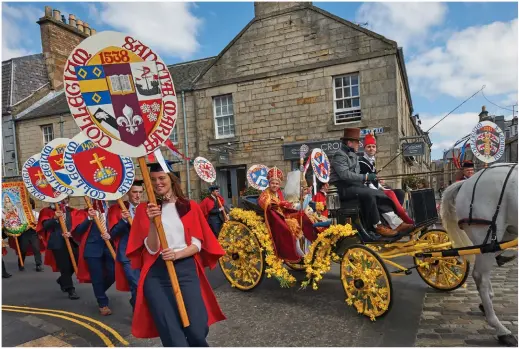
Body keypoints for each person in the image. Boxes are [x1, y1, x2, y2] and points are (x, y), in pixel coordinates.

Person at [126, 161, 226, 346]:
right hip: (157, 275)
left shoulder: (189, 206)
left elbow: (196, 244)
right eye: (153, 179)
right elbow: (152, 248)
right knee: (173, 337)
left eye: (162, 178)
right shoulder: (145, 209)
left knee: (197, 330)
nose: (157, 183)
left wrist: (177, 255)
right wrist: (153, 222)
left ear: (172, 180)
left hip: (185, 269)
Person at [329, 128, 412, 237]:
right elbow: (345, 175)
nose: (359, 144)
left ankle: (395, 223)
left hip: (353, 186)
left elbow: (356, 175)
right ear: (349, 143)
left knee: (378, 193)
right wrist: (366, 177)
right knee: (370, 193)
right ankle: (377, 226)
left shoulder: (353, 155)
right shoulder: (339, 155)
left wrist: (367, 178)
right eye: (357, 142)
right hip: (342, 188)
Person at [258, 167, 315, 261]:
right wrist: (277, 204)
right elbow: (264, 202)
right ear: (269, 183)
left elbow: (283, 203)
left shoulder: (279, 193)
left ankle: (306, 248)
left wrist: (287, 205)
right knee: (289, 227)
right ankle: (293, 252)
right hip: (273, 217)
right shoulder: (265, 193)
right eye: (272, 183)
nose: (274, 185)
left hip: (282, 214)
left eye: (277, 184)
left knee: (302, 217)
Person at [358, 133, 414, 228]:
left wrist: (380, 184)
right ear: (364, 148)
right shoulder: (362, 162)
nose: (371, 148)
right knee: (390, 194)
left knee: (400, 192)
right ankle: (401, 219)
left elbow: (374, 179)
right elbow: (366, 181)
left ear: (376, 149)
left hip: (374, 187)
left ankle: (395, 216)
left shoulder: (372, 161)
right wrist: (380, 189)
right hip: (367, 189)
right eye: (368, 147)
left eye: (373, 146)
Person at [37, 197, 87, 300]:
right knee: (64, 266)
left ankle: (62, 280)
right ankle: (70, 289)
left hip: (72, 241)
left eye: (66, 198)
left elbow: (77, 226)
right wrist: (54, 218)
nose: (64, 200)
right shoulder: (46, 211)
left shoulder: (72, 211)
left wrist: (71, 233)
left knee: (77, 262)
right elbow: (45, 226)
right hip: (57, 242)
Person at [74, 201, 115, 316]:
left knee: (114, 272)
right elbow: (78, 231)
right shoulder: (85, 212)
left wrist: (111, 235)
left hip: (109, 247)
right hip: (92, 249)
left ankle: (99, 290)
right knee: (96, 278)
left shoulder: (112, 210)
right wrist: (89, 218)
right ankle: (103, 303)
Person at [108, 180, 144, 311]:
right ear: (128, 193)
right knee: (137, 285)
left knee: (143, 286)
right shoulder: (117, 209)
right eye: (134, 192)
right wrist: (123, 220)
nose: (137, 195)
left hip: (145, 253)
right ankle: (140, 313)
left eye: (140, 192)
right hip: (128, 254)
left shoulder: (146, 207)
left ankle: (137, 308)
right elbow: (112, 233)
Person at [11, 198, 44, 272]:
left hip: (33, 233)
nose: (29, 205)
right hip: (24, 233)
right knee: (23, 249)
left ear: (32, 205)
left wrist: (37, 223)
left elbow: (40, 224)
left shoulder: (36, 213)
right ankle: (21, 264)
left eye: (30, 204)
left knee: (36, 249)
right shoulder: (21, 214)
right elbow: (17, 224)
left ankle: (38, 265)